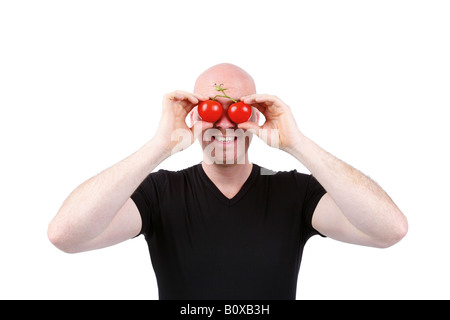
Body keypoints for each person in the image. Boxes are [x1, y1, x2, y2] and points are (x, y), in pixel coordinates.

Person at [48, 63, 408, 300]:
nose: (225, 124)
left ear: (255, 114)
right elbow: (65, 235)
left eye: (237, 110)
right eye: (210, 110)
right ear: (193, 115)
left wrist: (297, 143)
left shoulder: (292, 191)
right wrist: (160, 146)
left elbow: (389, 230)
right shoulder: (160, 192)